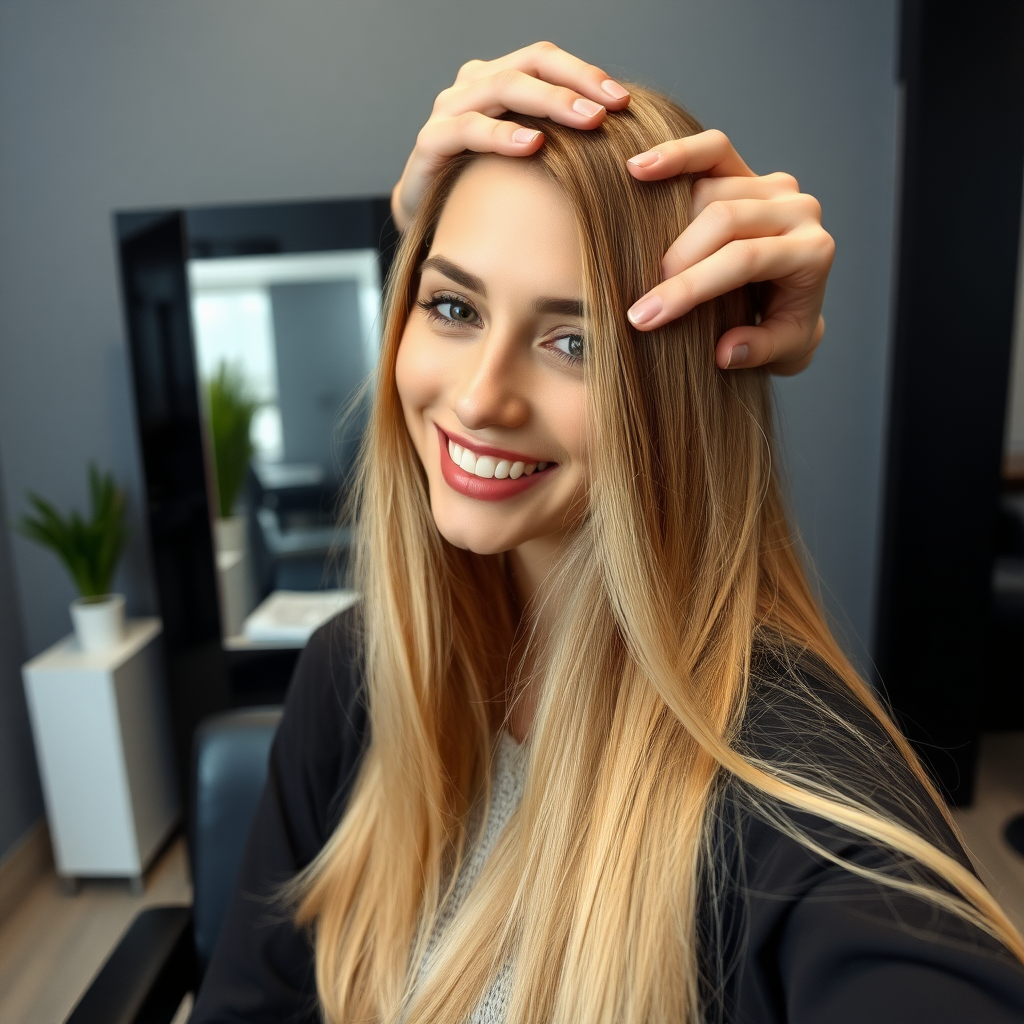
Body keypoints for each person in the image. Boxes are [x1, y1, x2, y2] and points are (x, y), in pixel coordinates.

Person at [192, 47, 1024, 1024]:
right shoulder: (356, 670)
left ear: (671, 392)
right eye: (452, 305)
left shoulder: (783, 779)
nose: (476, 396)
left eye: (572, 340)